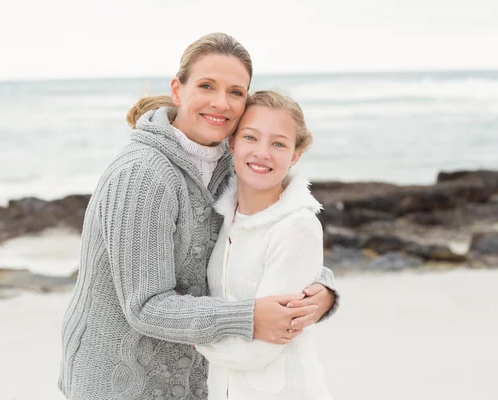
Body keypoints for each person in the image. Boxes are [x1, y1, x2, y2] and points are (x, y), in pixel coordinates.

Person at [58, 33, 338, 400]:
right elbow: (144, 306)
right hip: (122, 384)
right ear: (178, 90)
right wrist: (248, 317)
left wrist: (322, 290)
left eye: (236, 92)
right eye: (207, 85)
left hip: (193, 381)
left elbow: (260, 236)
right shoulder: (143, 175)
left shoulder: (230, 163)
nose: (221, 102)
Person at [195, 91, 332, 399]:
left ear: (294, 155)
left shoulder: (297, 227)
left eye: (279, 143)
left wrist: (188, 332)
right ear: (232, 143)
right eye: (251, 137)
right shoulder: (220, 217)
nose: (262, 153)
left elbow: (257, 351)